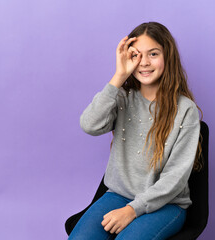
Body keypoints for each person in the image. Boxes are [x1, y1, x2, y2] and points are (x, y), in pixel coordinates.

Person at [68, 22, 203, 240]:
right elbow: (89, 124)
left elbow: (175, 179)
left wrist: (133, 210)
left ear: (167, 56)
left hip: (166, 203)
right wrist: (119, 76)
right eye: (137, 55)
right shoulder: (121, 97)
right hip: (118, 195)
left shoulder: (184, 110)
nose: (145, 62)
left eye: (153, 53)